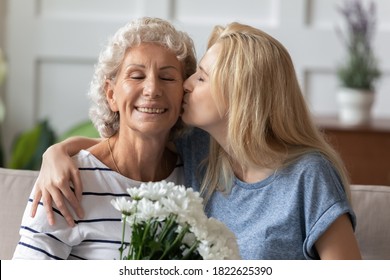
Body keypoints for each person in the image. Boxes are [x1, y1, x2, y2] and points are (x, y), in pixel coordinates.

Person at [31, 22, 362, 259]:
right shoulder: (203, 154)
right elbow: (129, 143)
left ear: (240, 97)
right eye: (194, 74)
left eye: (201, 77)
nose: (186, 85)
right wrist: (57, 152)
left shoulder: (307, 175)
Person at [13, 17, 197, 259]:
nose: (152, 89)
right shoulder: (66, 180)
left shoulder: (194, 174)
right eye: (137, 76)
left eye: (167, 77)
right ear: (111, 95)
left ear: (184, 93)